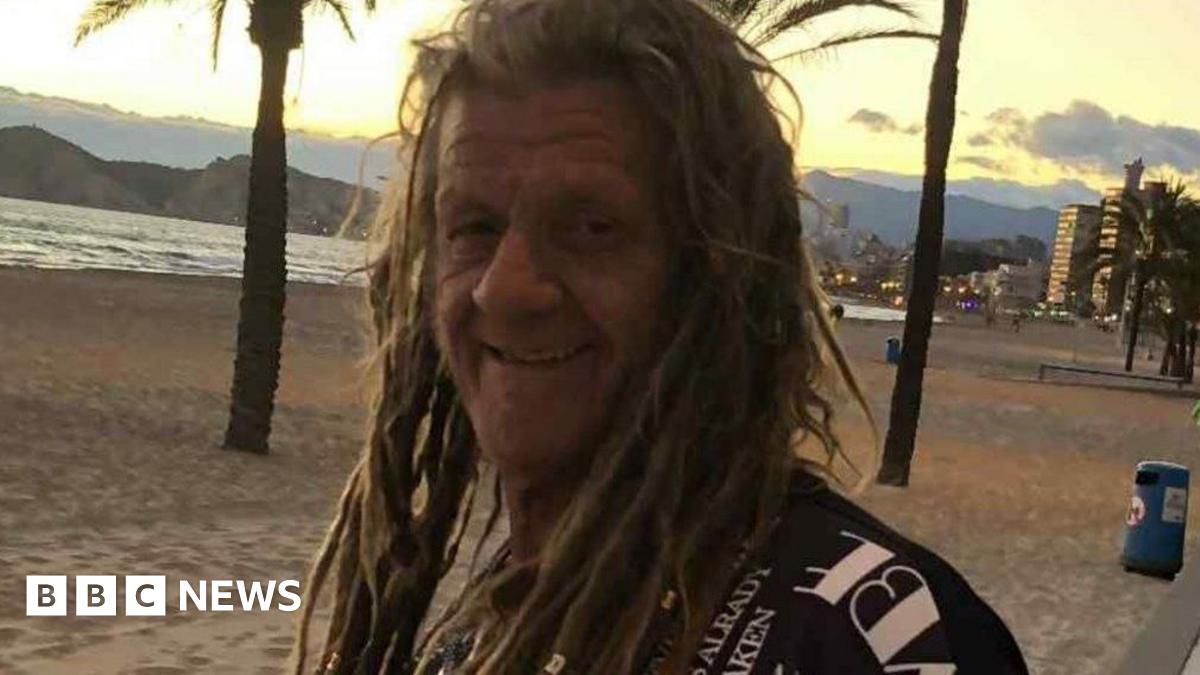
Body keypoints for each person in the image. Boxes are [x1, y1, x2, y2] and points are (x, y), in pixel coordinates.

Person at [295, 0, 1028, 673]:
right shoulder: (485, 623)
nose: (504, 287)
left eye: (590, 227)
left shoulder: (878, 633)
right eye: (475, 227)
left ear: (719, 274)